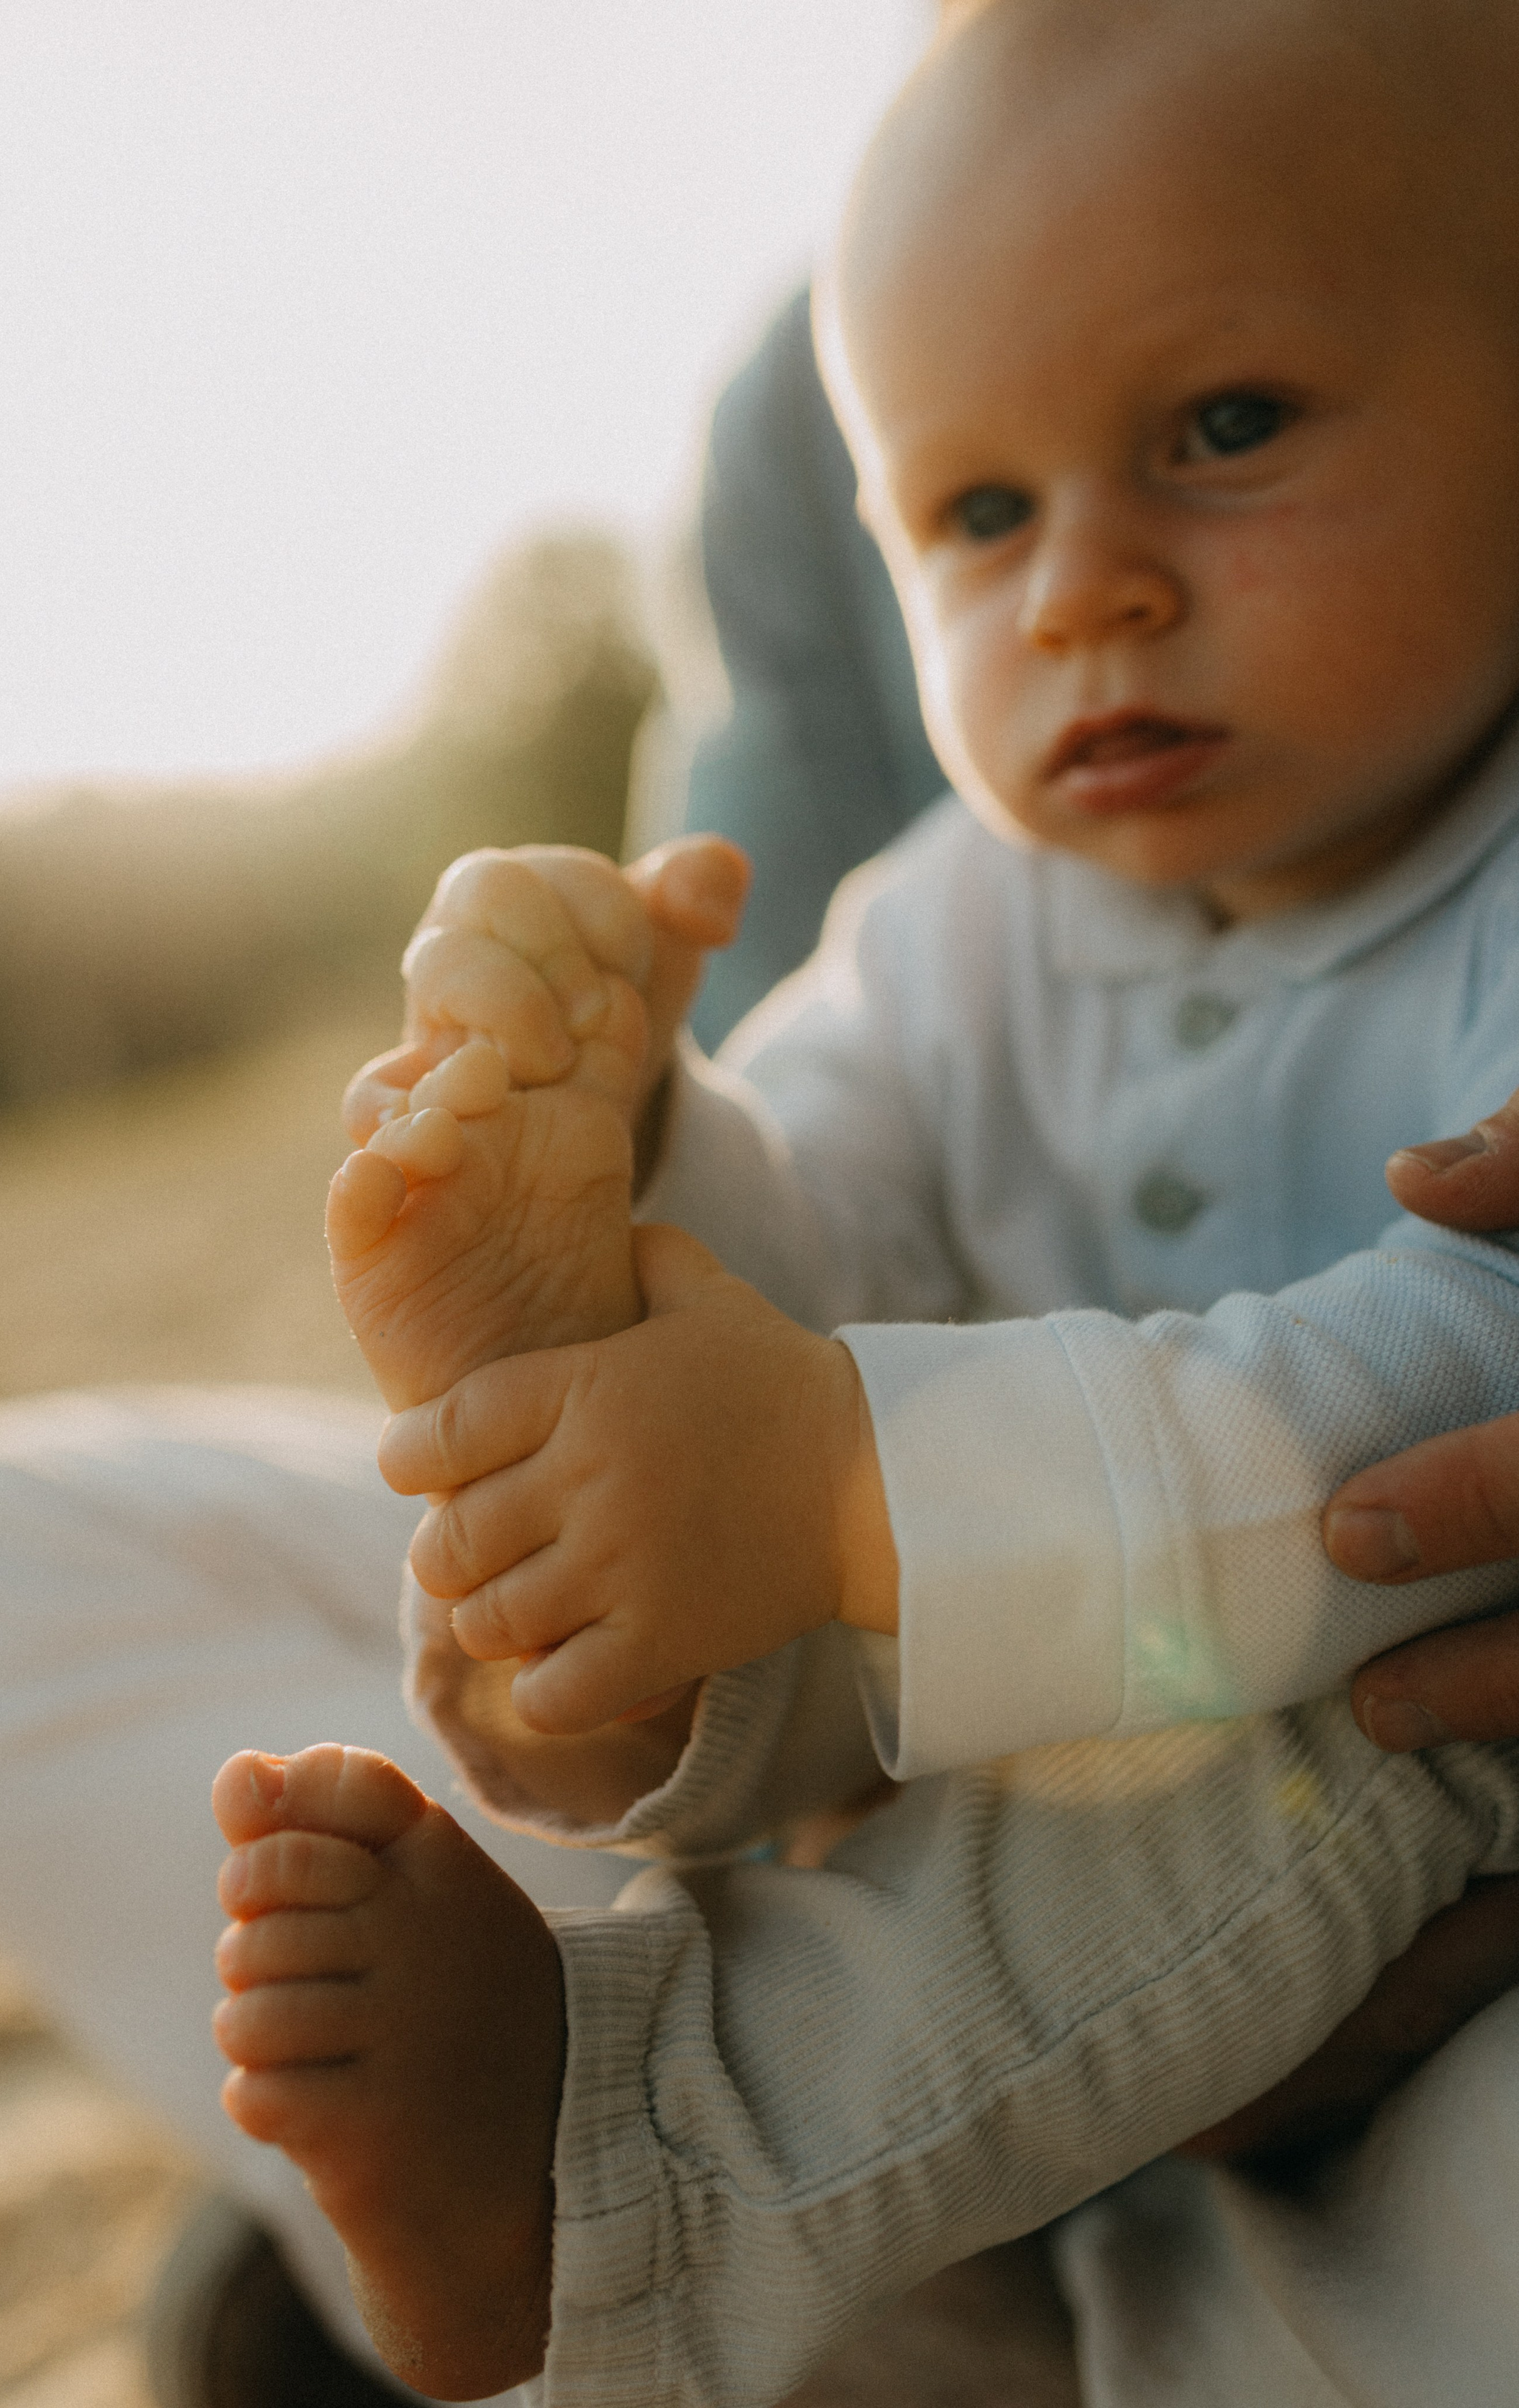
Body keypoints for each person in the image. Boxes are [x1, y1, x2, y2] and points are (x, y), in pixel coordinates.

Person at [204, 2, 1519, 2400]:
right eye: (977, 517)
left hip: (1405, 1725)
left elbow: (1463, 1401)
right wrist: (637, 1176)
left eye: (1228, 429)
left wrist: (840, 1488)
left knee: (1298, 1747)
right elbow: (835, 1230)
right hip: (1004, 1705)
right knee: (745, 1506)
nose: (1084, 592)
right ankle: (603, 1675)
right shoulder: (956, 921)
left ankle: (639, 2171)